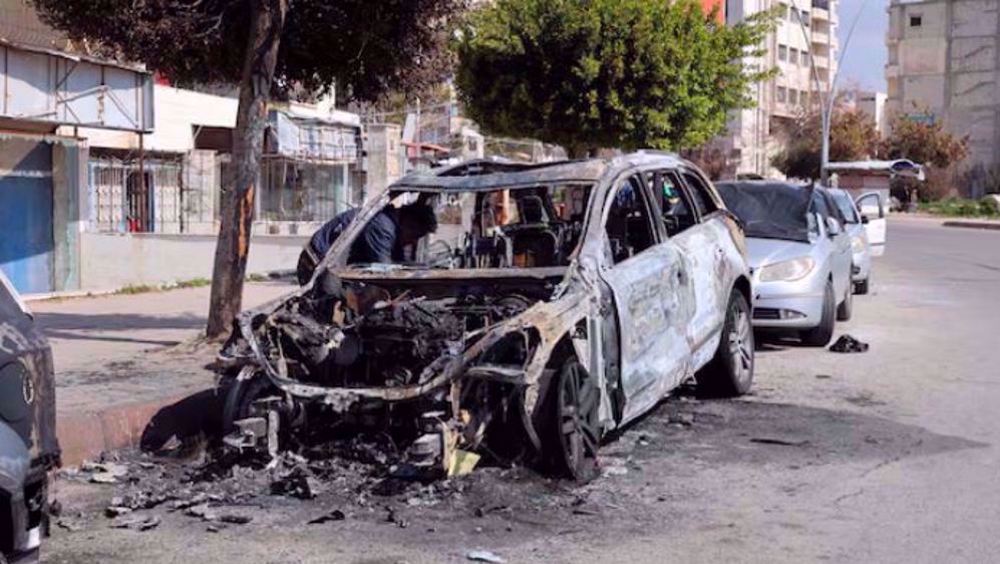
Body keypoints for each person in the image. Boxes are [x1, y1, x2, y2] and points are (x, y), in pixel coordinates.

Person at [296, 202, 438, 285]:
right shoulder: (383, 227)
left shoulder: (394, 228)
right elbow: (386, 272)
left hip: (333, 265)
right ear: (409, 222)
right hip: (316, 264)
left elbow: (399, 264)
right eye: (415, 235)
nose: (413, 241)